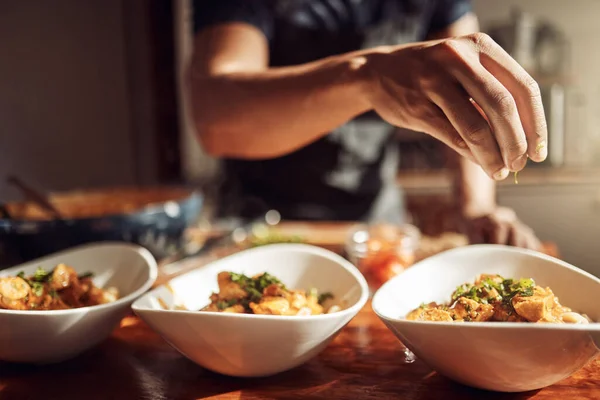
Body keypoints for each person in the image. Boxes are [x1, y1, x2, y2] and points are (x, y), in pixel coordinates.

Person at [188, 0, 546, 249]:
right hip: (261, 226)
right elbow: (215, 120)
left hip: (378, 227)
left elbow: (468, 90)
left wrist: (477, 208)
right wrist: (366, 77)